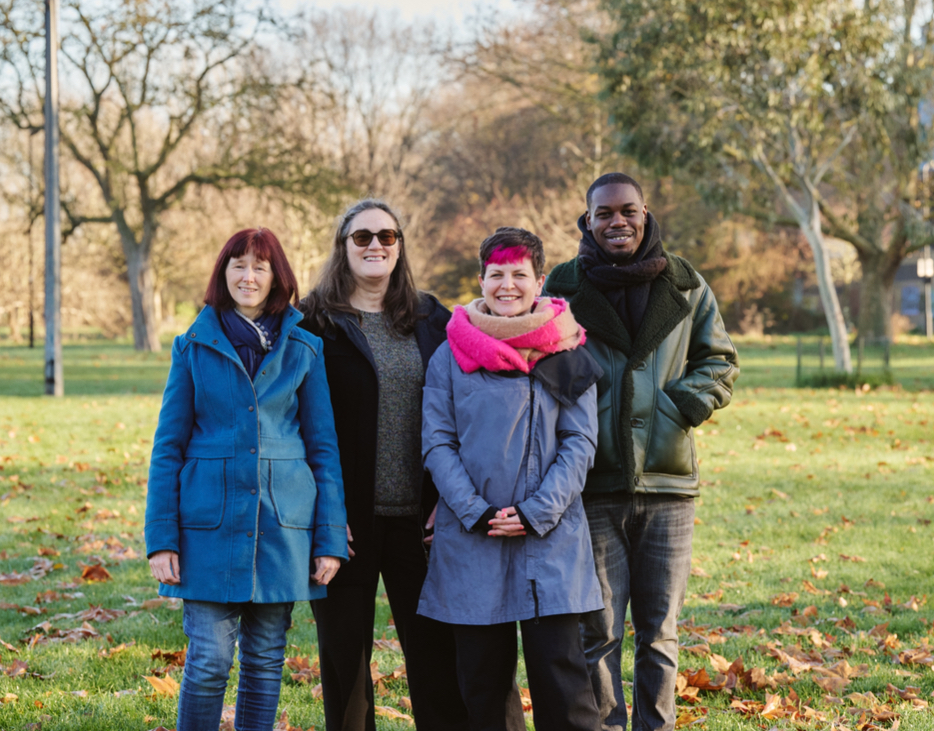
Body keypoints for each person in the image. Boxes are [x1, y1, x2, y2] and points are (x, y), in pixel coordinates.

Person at [544, 173, 739, 731]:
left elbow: (719, 360)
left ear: (645, 213)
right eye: (604, 213)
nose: (617, 222)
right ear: (588, 220)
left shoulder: (685, 283)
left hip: (668, 483)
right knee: (598, 631)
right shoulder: (562, 286)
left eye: (627, 210)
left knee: (660, 632)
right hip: (592, 483)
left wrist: (678, 405)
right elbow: (540, 360)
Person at [145, 228, 348, 731]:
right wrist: (161, 538)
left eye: (260, 266)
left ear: (277, 276)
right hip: (207, 528)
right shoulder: (193, 346)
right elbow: (167, 448)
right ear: (224, 273)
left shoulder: (305, 348)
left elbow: (324, 450)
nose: (249, 276)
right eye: (238, 265)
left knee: (264, 658)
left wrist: (329, 539)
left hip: (282, 527)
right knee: (210, 660)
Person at [299, 199, 489, 731]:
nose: (375, 245)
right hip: (345, 524)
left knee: (436, 664)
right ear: (343, 247)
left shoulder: (432, 320)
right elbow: (294, 425)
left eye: (387, 236)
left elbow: (469, 409)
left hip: (421, 522)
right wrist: (323, 513)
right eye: (362, 237)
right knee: (347, 673)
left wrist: (451, 498)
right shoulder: (313, 322)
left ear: (400, 246)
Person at [417, 226, 605, 731]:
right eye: (496, 274)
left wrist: (535, 512)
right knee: (483, 690)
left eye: (519, 274)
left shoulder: (566, 348)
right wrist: (476, 512)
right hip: (472, 538)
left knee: (564, 686)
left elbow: (580, 442)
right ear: (481, 279)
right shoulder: (449, 354)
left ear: (540, 281)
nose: (507, 285)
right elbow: (437, 442)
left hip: (550, 539)